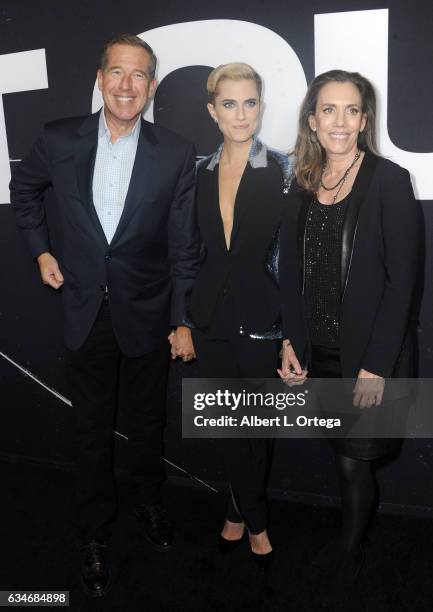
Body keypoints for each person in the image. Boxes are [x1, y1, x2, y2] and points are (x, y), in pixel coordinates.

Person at [10, 34, 198, 597]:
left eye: (138, 75)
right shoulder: (58, 138)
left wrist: (182, 317)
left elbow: (184, 245)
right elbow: (25, 190)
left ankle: (147, 503)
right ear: (99, 78)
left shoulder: (176, 151)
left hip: (148, 309)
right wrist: (43, 250)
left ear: (152, 86)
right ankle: (93, 534)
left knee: (146, 426)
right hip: (83, 309)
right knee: (91, 433)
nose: (125, 85)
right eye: (116, 72)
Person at [279, 70, 420, 601]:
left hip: (367, 358)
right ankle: (351, 537)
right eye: (329, 110)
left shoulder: (388, 179)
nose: (340, 121)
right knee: (340, 452)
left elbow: (402, 281)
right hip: (320, 353)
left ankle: (350, 548)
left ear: (365, 120)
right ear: (312, 120)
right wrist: (291, 342)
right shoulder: (300, 183)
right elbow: (291, 274)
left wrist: (377, 365)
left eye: (352, 110)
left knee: (351, 458)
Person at [171, 63, 292, 569]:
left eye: (249, 103)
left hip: (264, 320)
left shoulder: (286, 169)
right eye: (229, 104)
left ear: (261, 108)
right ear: (212, 111)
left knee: (255, 427)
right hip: (209, 320)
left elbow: (292, 259)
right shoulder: (197, 171)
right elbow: (185, 251)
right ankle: (248, 515)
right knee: (228, 424)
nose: (240, 114)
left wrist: (291, 336)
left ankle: (246, 517)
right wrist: (181, 320)